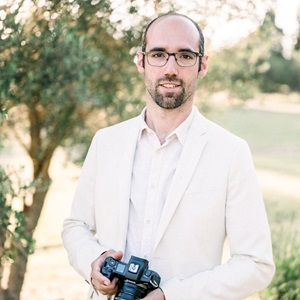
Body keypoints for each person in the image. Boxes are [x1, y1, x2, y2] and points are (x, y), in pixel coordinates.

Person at [62, 12, 275, 300]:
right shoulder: (106, 142)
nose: (171, 68)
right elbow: (76, 225)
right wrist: (93, 259)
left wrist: (171, 295)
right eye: (159, 54)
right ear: (141, 61)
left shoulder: (231, 152)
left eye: (185, 56)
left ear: (202, 65)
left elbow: (256, 264)